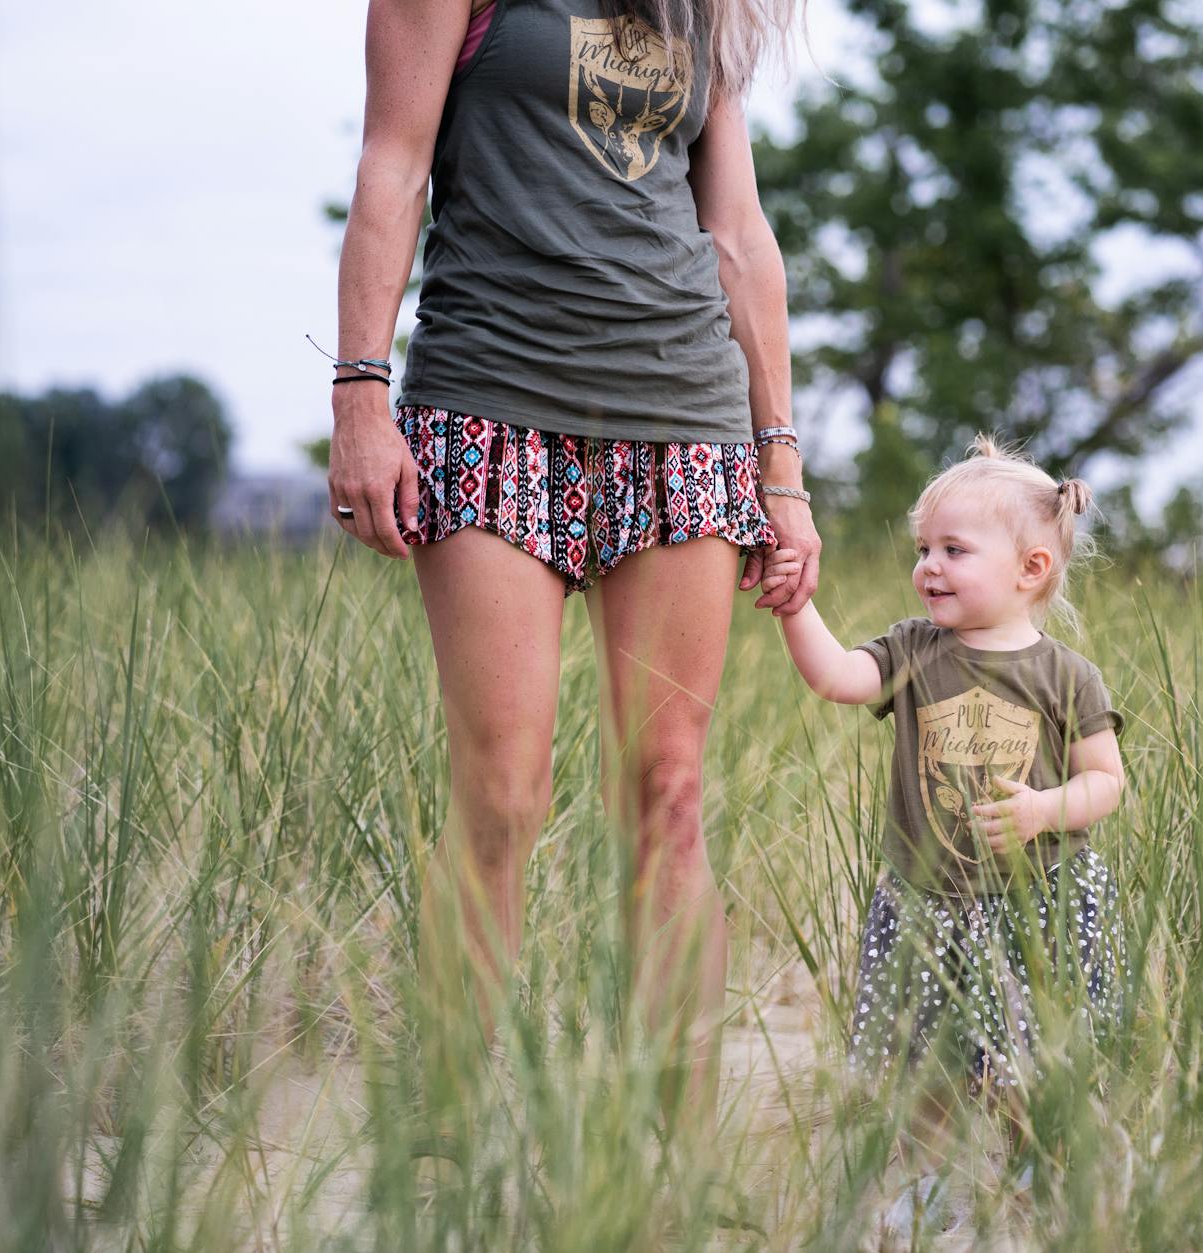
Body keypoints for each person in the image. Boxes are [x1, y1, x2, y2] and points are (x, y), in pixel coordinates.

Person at [324, 0, 819, 1123]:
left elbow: (735, 232)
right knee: (501, 793)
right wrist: (359, 390)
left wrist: (779, 462)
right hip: (492, 398)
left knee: (670, 791)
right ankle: (450, 1143)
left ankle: (670, 1154)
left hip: (683, 415)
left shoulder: (701, 10)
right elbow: (392, 166)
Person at [758, 434, 1128, 1231]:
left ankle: (1039, 1175)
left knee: (1029, 1061)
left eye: (954, 549)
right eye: (924, 547)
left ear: (1031, 568)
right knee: (922, 1063)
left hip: (1039, 903)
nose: (928, 565)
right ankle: (934, 1186)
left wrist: (1041, 809)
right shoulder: (913, 649)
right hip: (928, 903)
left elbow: (1107, 781)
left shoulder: (1067, 674)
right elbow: (838, 678)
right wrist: (797, 608)